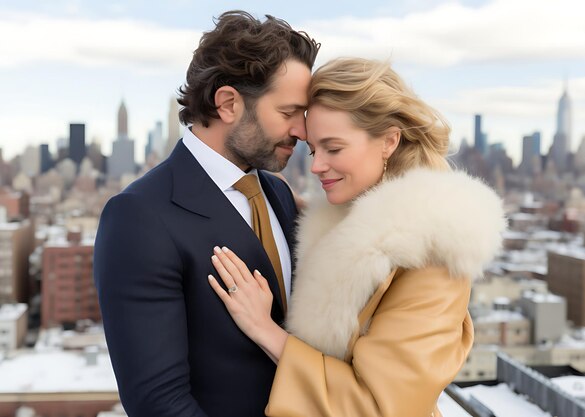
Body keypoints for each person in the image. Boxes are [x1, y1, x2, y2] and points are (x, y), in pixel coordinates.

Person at [207, 57, 507, 417]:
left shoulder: (434, 253)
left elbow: (378, 407)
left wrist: (265, 330)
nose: (316, 166)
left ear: (389, 140)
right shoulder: (335, 223)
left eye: (334, 149)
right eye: (314, 150)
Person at [93, 11, 319, 417]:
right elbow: (159, 404)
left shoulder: (278, 195)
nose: (302, 132)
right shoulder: (138, 216)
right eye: (288, 113)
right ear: (228, 103)